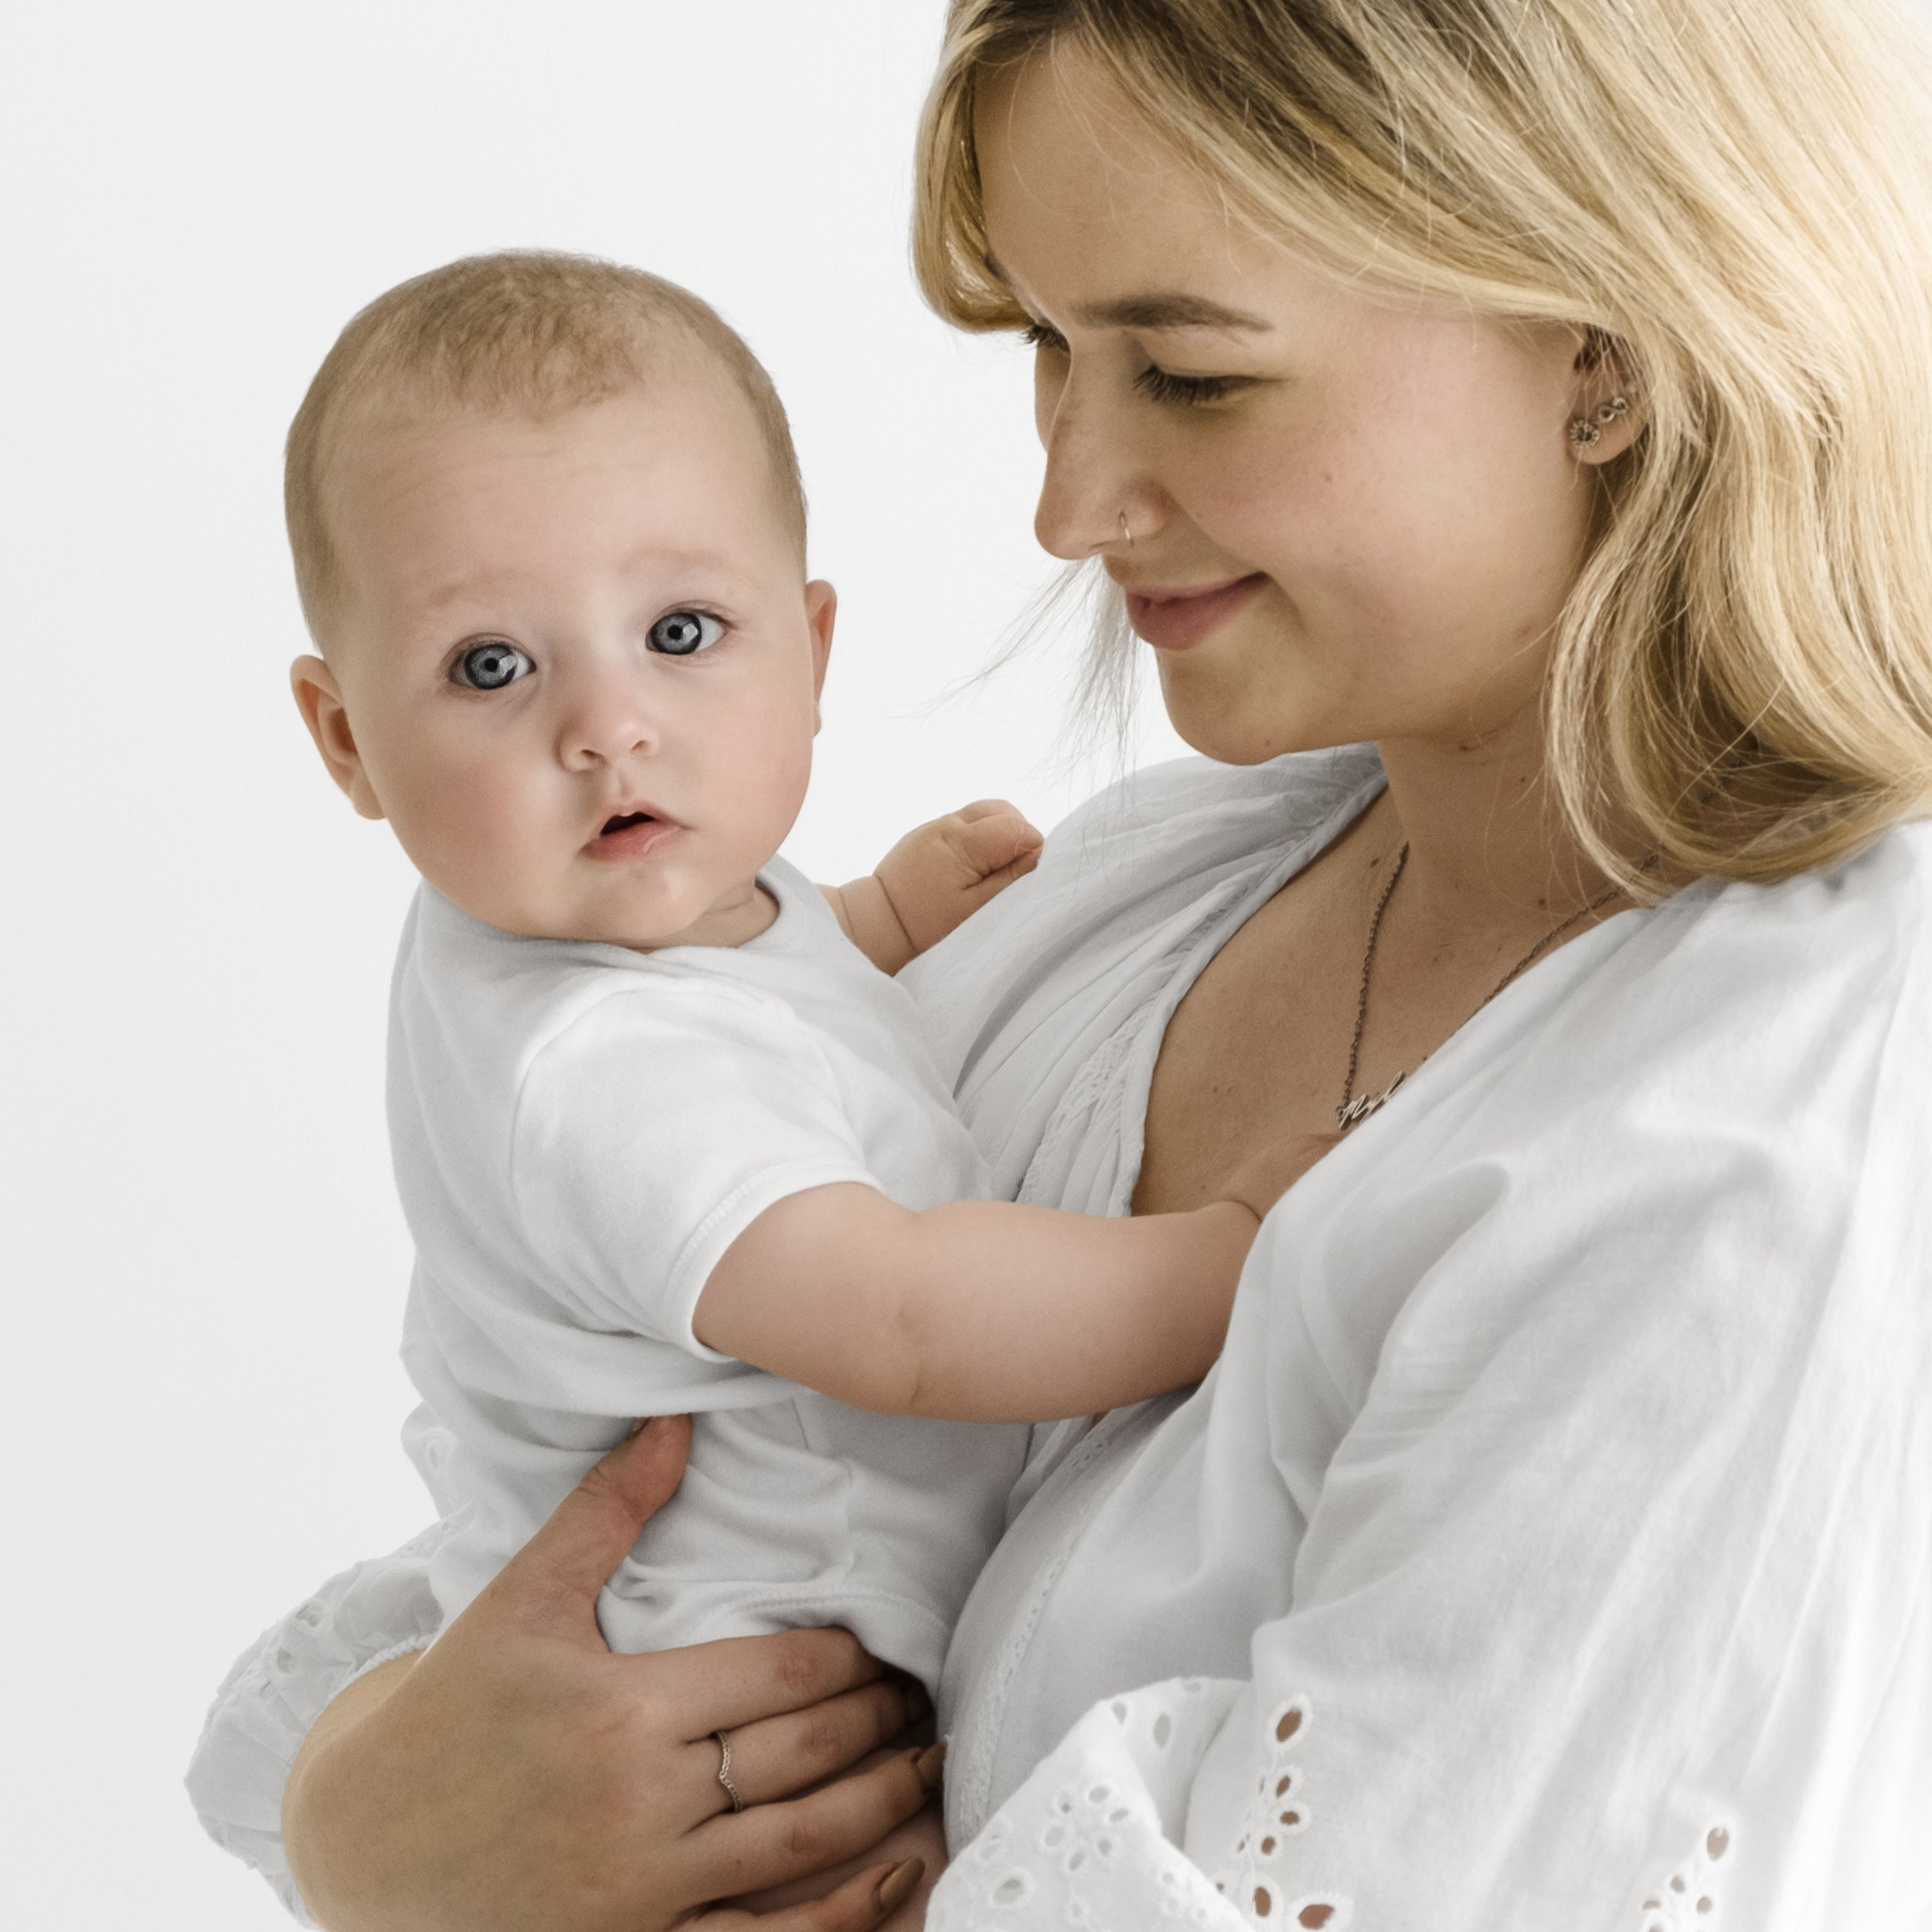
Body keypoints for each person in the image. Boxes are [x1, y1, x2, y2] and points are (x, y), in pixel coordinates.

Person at [188, 1, 1932, 1926]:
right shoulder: (1136, 895)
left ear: (1602, 353)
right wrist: (368, 1814)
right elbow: (624, 1527)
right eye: (1044, 344)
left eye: (1187, 372)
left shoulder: (1784, 1134)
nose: (1062, 504)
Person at [242, 246, 1315, 1921]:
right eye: (491, 667)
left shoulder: (610, 932)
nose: (607, 726)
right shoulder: (593, 1070)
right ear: (345, 741)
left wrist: (877, 917)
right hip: (721, 1749)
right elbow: (899, 1317)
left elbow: (752, 1006)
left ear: (811, 648)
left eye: (680, 633)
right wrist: (1245, 1252)